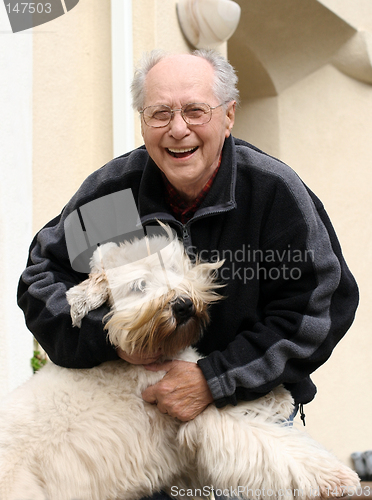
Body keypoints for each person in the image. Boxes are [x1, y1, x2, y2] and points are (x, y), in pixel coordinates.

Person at [18, 49, 358, 480]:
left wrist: (214, 379)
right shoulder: (116, 196)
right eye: (160, 114)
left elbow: (317, 310)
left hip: (248, 414)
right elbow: (41, 282)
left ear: (229, 115)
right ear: (143, 121)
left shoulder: (272, 194)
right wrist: (113, 339)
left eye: (196, 111)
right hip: (136, 420)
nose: (178, 129)